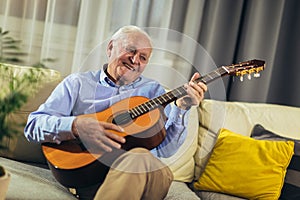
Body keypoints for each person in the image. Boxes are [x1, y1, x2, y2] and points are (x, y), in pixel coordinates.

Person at [24, 25, 207, 200]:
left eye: (143, 58)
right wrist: (75, 126)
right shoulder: (77, 84)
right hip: (91, 177)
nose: (135, 60)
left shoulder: (153, 92)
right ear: (111, 47)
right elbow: (33, 126)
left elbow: (166, 150)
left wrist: (181, 108)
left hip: (151, 177)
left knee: (139, 157)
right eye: (131, 50)